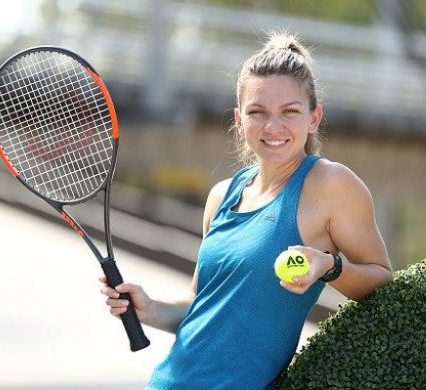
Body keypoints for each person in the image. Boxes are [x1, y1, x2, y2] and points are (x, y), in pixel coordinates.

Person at [100, 31, 393, 389]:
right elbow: (204, 305)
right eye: (258, 112)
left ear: (314, 118)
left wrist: (327, 266)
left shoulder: (331, 185)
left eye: (290, 111)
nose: (273, 127)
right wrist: (152, 309)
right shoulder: (222, 195)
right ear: (239, 120)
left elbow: (381, 278)